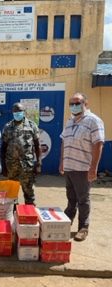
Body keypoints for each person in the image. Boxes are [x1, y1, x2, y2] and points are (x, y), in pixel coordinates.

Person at [59, 92, 105, 241]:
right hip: (69, 167)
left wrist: (93, 168)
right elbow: (64, 142)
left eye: (77, 103)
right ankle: (67, 222)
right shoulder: (69, 121)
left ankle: (83, 227)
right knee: (71, 198)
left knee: (83, 199)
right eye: (71, 103)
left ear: (86, 104)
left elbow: (98, 144)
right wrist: (62, 162)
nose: (74, 106)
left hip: (83, 168)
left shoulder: (93, 121)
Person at [1, 102, 42, 205]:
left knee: (29, 194)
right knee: (12, 195)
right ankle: (14, 215)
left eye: (20, 111)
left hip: (27, 166)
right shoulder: (7, 126)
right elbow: (3, 147)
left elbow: (38, 146)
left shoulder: (32, 125)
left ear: (24, 112)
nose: (17, 113)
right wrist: (4, 167)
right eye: (15, 111)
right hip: (11, 167)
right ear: (12, 112)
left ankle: (29, 215)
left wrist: (39, 163)